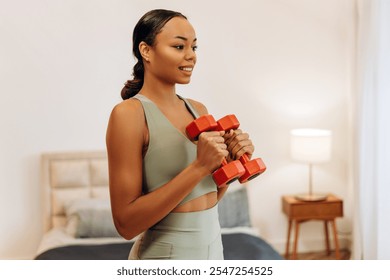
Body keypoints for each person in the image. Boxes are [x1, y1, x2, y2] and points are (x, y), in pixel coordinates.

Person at [106, 9, 255, 260]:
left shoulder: (199, 110)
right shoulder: (129, 114)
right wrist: (199, 166)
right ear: (146, 51)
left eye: (194, 48)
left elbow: (207, 197)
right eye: (178, 46)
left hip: (213, 252)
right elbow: (126, 225)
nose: (191, 56)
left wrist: (229, 165)